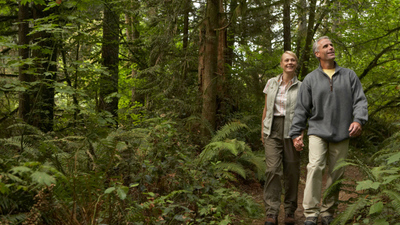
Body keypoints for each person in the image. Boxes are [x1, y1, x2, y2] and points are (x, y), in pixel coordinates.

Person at [289, 36, 368, 225]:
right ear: (318, 54)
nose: (331, 47)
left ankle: (327, 212)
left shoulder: (349, 75)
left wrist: (358, 120)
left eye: (331, 45)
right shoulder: (310, 79)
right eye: (325, 46)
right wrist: (296, 133)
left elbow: (360, 101)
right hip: (317, 130)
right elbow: (301, 109)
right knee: (315, 166)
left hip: (343, 131)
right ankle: (310, 213)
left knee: (336, 172)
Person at [261, 51, 302, 225]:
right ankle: (272, 212)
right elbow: (266, 108)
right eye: (286, 60)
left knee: (292, 172)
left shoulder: (302, 86)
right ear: (281, 64)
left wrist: (300, 133)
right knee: (272, 170)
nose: (290, 62)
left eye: (293, 60)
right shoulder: (271, 83)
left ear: (296, 64)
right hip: (272, 129)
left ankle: (290, 211)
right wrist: (262, 129)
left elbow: (304, 111)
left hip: (292, 129)